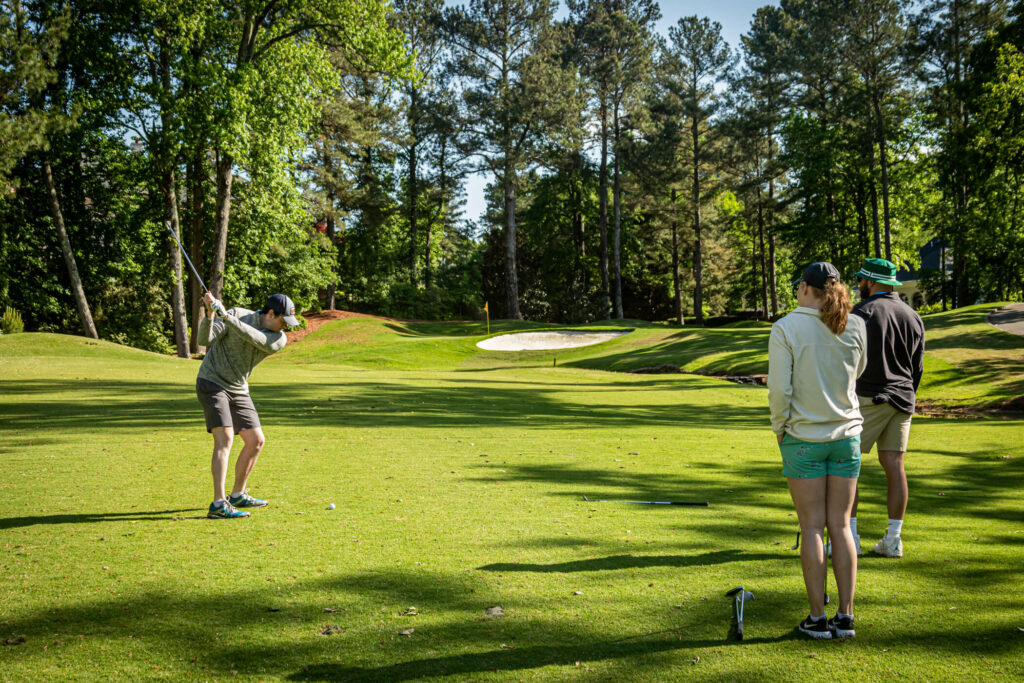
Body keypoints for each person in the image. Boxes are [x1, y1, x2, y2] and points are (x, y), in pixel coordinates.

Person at [768, 262, 867, 640]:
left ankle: (817, 618)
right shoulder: (855, 324)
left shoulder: (786, 327)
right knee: (840, 525)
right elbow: (858, 372)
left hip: (804, 437)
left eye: (798, 287)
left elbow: (780, 389)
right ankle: (845, 616)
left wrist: (779, 427)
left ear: (806, 289)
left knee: (811, 526)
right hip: (846, 436)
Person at [196, 291, 299, 519]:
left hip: (238, 388)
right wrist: (210, 315)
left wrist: (226, 317)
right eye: (283, 320)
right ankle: (218, 503)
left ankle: (237, 495)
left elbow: (255, 338)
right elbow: (204, 340)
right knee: (225, 439)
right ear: (270, 314)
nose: (286, 327)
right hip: (212, 381)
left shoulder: (278, 338)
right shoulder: (237, 314)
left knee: (256, 440)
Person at [851, 258, 925, 558]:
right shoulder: (913, 315)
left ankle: (850, 538)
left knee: (847, 464)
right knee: (894, 465)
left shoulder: (862, 312)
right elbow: (917, 367)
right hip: (903, 398)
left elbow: (850, 361)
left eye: (861, 280)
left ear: (870, 281)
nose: (859, 285)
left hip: (870, 397)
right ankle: (893, 539)